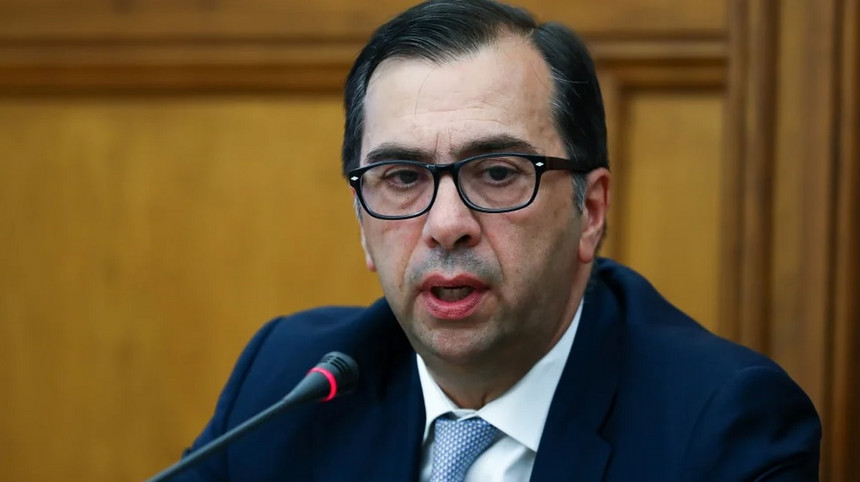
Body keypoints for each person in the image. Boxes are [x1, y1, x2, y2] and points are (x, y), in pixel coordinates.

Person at [173, 1, 821, 480]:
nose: (446, 224)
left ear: (591, 211)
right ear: (361, 224)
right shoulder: (288, 387)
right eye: (402, 177)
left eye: (498, 173)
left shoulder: (722, 428)